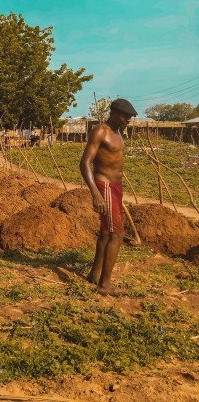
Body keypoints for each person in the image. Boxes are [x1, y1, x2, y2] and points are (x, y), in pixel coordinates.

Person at [79, 98, 138, 295]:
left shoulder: (118, 132)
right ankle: (105, 284)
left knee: (106, 232)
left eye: (130, 117)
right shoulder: (100, 131)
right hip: (104, 185)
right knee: (117, 234)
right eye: (126, 116)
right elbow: (85, 163)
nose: (128, 120)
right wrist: (95, 193)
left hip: (116, 186)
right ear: (113, 112)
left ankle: (94, 274)